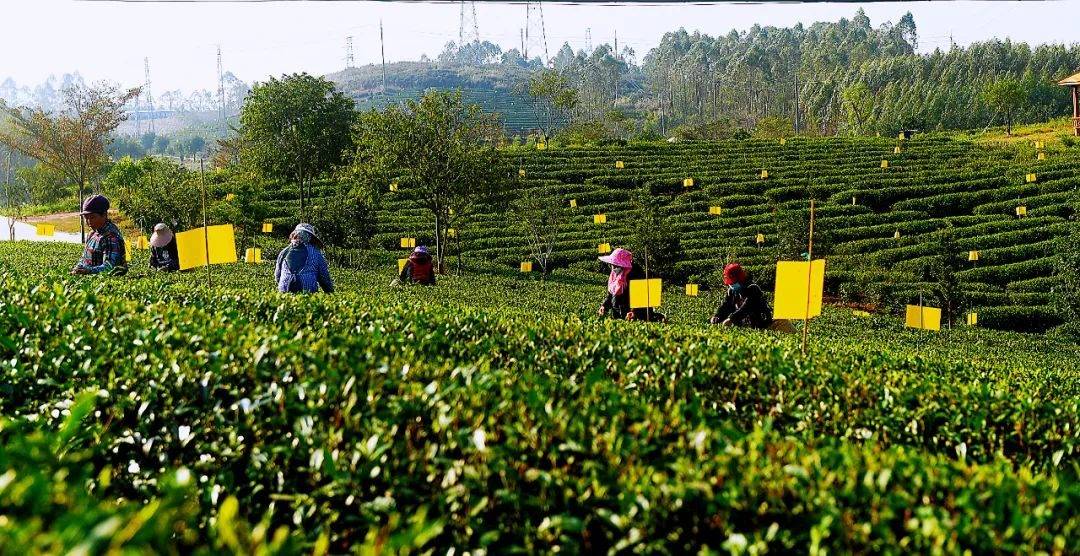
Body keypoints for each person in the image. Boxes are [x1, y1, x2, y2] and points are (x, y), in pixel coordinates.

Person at [597, 247, 665, 322]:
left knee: (647, 319)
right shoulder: (614, 275)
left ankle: (660, 318)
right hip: (619, 314)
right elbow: (611, 294)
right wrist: (604, 306)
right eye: (612, 265)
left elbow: (642, 297)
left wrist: (634, 312)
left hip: (636, 315)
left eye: (616, 265)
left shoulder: (637, 274)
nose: (613, 267)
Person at [710, 263, 786, 330]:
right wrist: (717, 316)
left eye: (734, 282)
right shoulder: (732, 292)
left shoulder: (753, 289)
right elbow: (726, 306)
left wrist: (731, 319)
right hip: (753, 327)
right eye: (730, 283)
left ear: (740, 279)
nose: (732, 285)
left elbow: (747, 307)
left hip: (768, 324)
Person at [72, 194, 127, 276]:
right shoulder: (92, 234)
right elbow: (83, 259)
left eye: (92, 217)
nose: (88, 221)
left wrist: (88, 271)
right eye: (86, 218)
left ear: (104, 215)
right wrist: (77, 269)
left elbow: (110, 267)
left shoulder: (110, 237)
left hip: (106, 282)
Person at [274, 223, 334, 294]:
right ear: (311, 237)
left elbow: (277, 276)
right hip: (307, 290)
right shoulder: (315, 253)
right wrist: (330, 292)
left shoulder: (284, 251)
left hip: (284, 290)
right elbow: (324, 277)